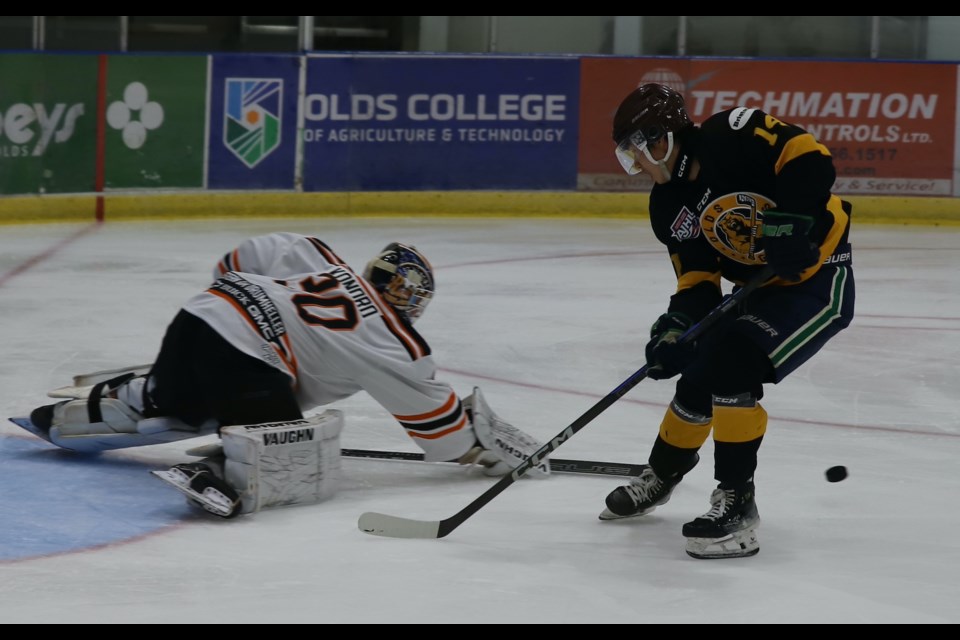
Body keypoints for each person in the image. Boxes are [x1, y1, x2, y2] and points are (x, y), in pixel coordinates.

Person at [25, 232, 548, 518]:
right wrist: (484, 449)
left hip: (199, 315)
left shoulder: (317, 257)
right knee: (299, 436)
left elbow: (238, 257)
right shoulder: (394, 339)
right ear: (413, 302)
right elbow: (444, 432)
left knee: (180, 402)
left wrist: (241, 313)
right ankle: (224, 474)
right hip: (248, 363)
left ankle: (94, 406)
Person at [601, 83, 854, 559]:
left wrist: (789, 224)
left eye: (640, 149)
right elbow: (697, 281)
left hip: (817, 279)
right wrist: (673, 330)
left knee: (735, 366)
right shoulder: (668, 205)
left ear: (663, 136)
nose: (640, 165)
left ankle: (738, 501)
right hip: (755, 289)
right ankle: (662, 475)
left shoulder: (730, 134)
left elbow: (809, 156)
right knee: (698, 373)